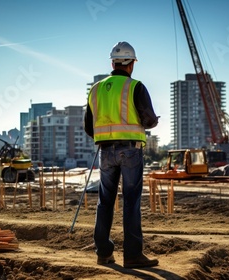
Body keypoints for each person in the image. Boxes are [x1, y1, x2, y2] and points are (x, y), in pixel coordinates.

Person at [84, 41, 159, 268]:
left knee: (105, 201)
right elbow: (148, 119)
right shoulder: (135, 87)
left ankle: (103, 253)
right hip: (130, 150)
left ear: (113, 63)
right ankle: (133, 255)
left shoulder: (95, 89)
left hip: (105, 151)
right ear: (131, 65)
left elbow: (89, 127)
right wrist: (152, 122)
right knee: (131, 201)